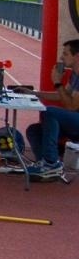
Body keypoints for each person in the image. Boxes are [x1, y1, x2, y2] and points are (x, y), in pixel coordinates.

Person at [29, 38, 79, 180]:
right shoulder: (75, 74)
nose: (62, 57)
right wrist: (34, 93)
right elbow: (61, 96)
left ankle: (51, 164)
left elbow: (71, 106)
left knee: (50, 112)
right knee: (34, 131)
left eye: (65, 54)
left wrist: (57, 82)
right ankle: (46, 164)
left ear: (77, 56)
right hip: (75, 120)